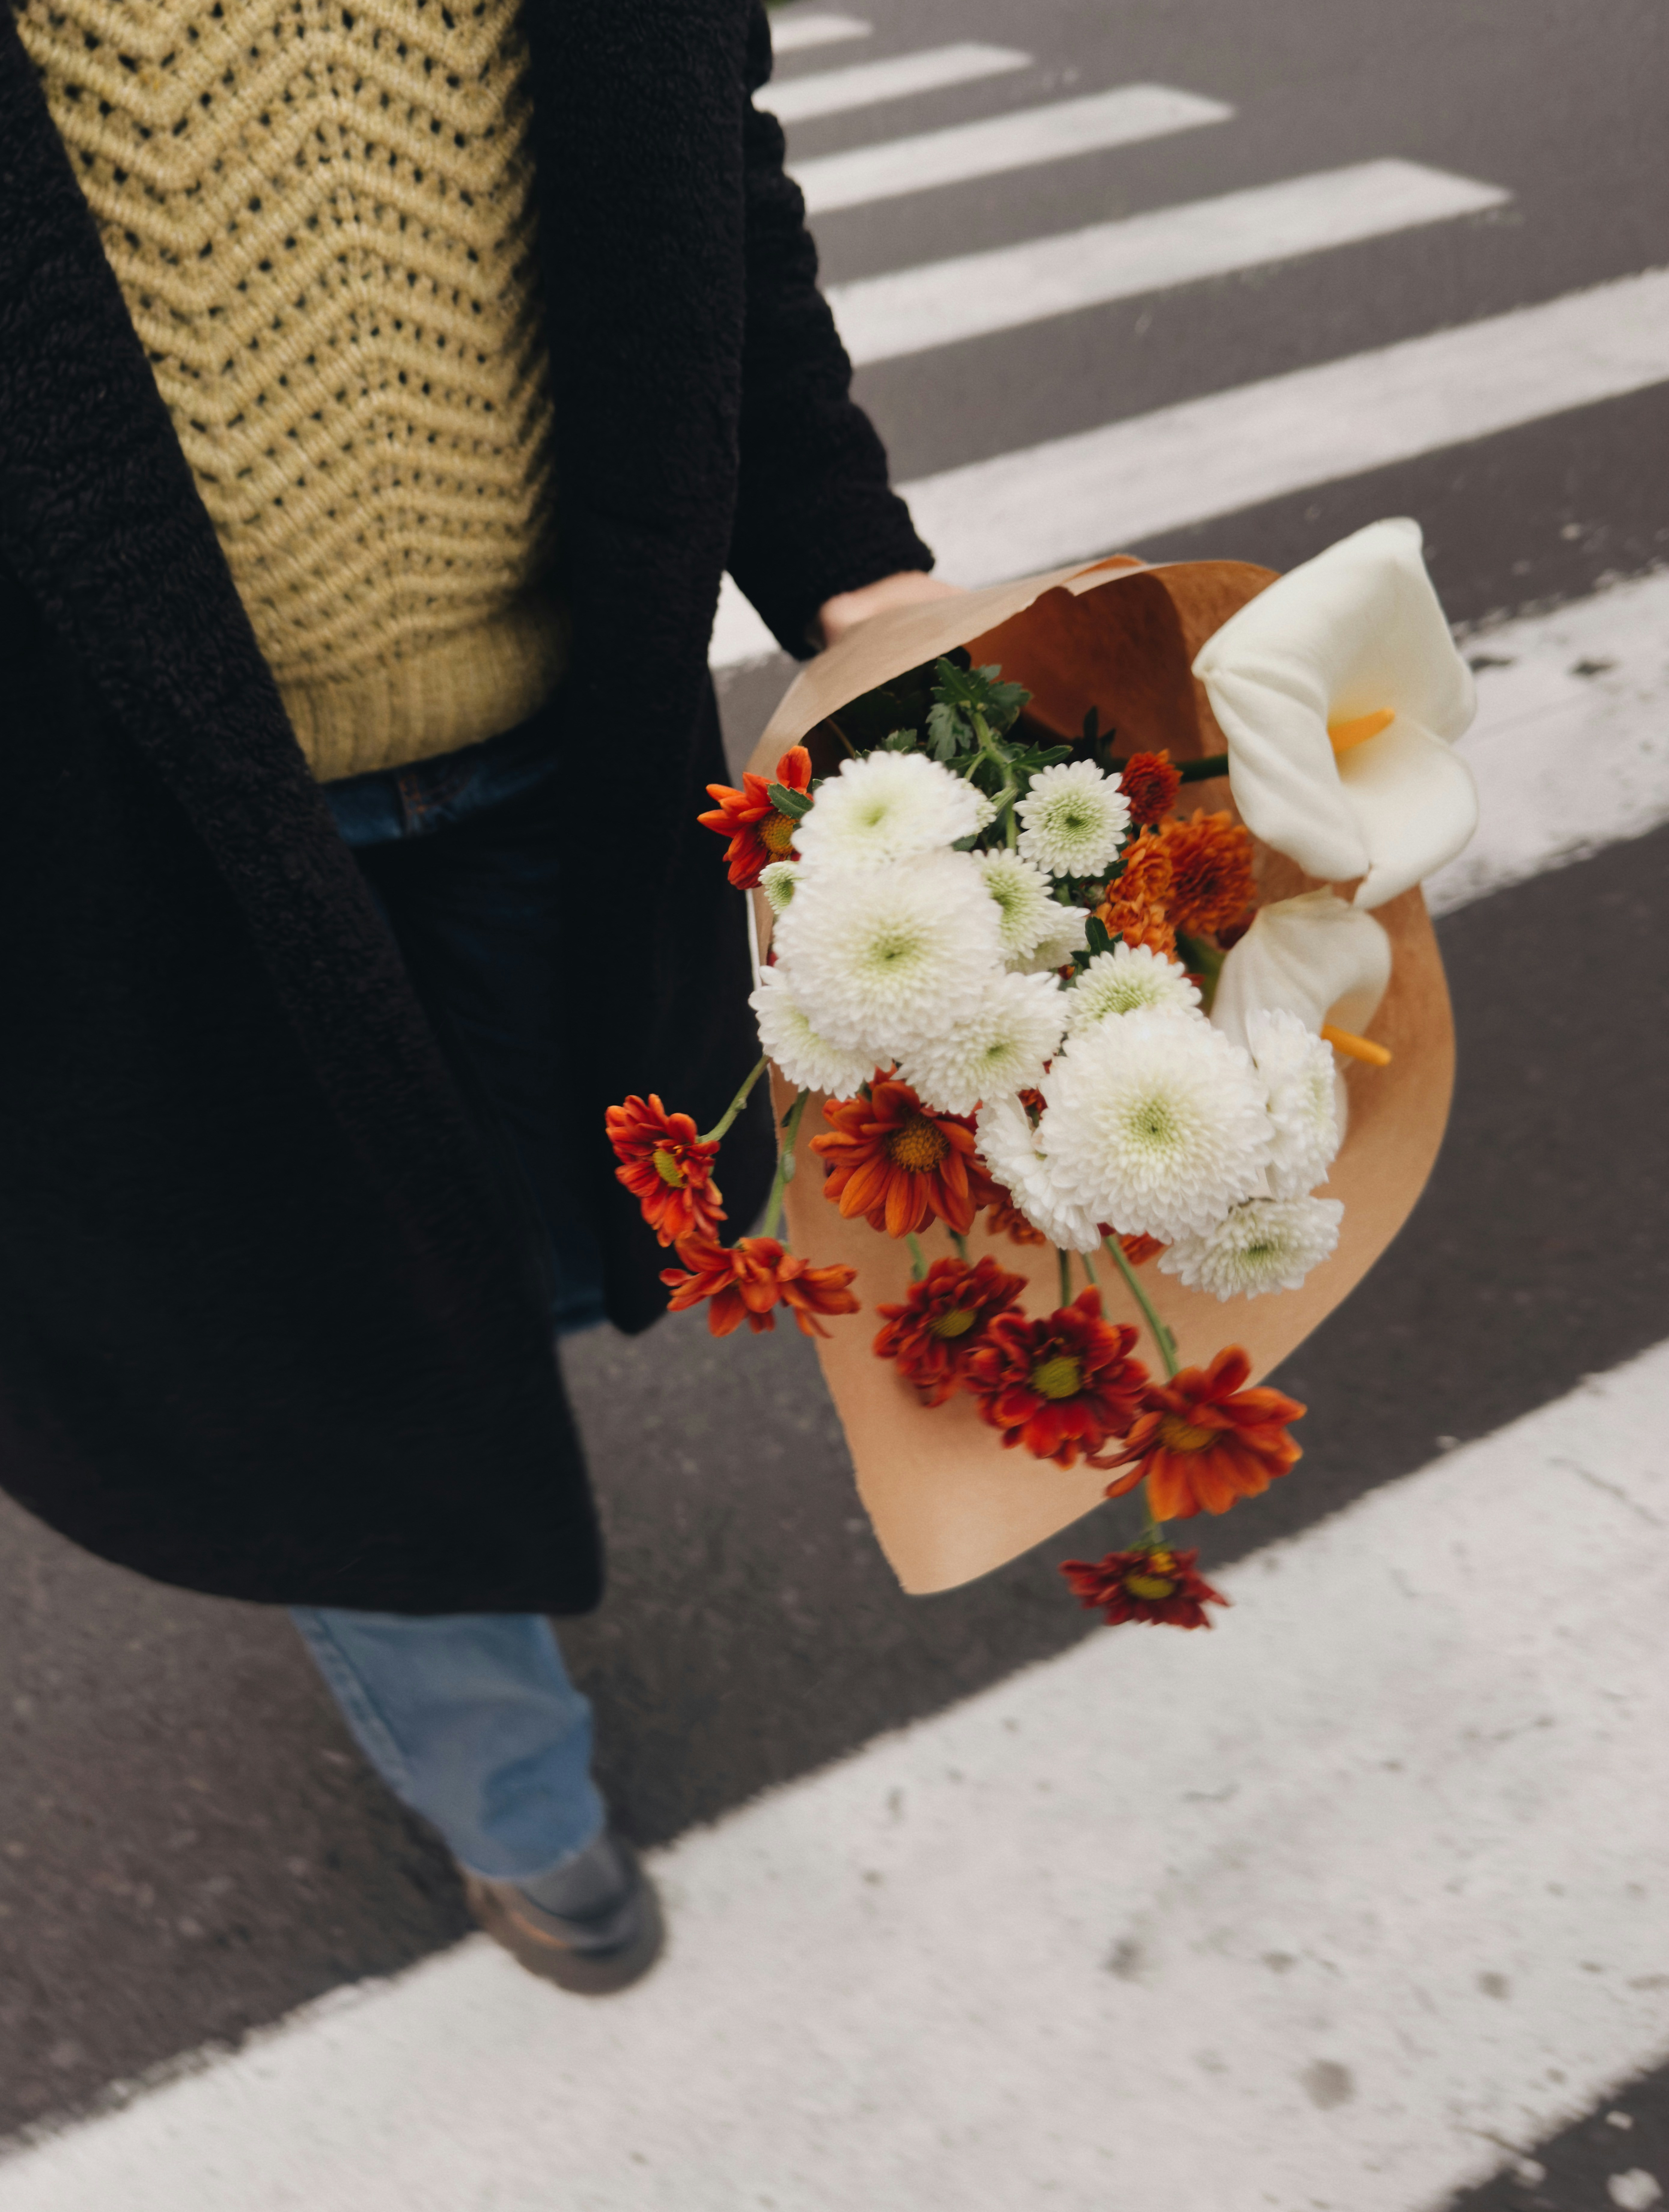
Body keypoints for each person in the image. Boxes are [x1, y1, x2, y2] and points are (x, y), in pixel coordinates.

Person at [0, 0, 955, 1994]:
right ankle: (518, 1812)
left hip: (563, 752)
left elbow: (705, 190)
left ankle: (471, 1414)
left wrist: (854, 563)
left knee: (572, 1232)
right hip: (121, 849)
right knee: (345, 1382)